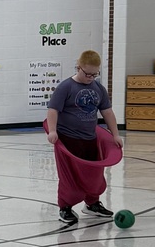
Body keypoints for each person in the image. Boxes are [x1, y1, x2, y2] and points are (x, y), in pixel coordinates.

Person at [45, 50, 123, 226]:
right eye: (87, 74)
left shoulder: (98, 88)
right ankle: (65, 207)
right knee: (70, 176)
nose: (90, 77)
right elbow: (53, 110)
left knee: (94, 174)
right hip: (68, 139)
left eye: (95, 74)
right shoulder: (66, 87)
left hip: (90, 139)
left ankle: (92, 204)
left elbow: (107, 112)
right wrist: (52, 131)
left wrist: (115, 134)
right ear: (78, 67)